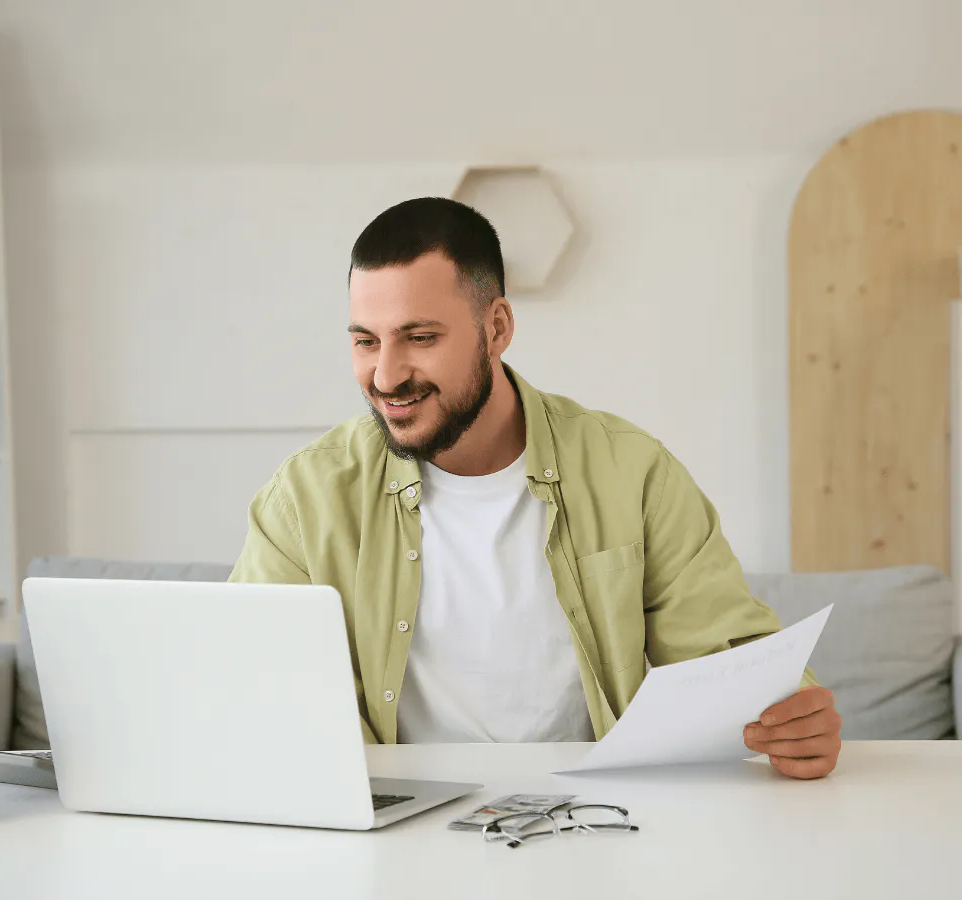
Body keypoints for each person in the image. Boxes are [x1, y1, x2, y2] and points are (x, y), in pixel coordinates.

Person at [229, 197, 842, 780]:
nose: (386, 376)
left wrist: (795, 719)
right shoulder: (306, 495)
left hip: (591, 818)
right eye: (366, 341)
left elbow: (729, 661)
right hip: (395, 830)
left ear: (496, 327)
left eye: (420, 338)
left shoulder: (632, 471)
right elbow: (244, 683)